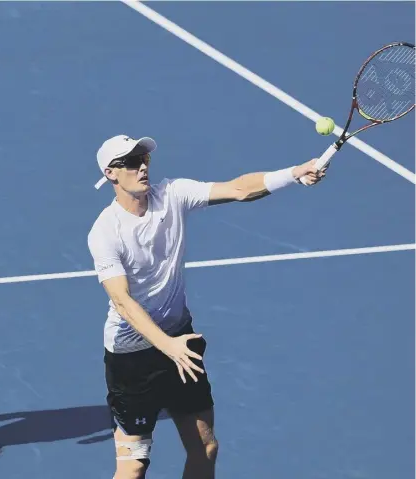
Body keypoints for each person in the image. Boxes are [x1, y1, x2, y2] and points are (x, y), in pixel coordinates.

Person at [87, 134, 326, 479]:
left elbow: (240, 189)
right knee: (134, 464)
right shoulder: (105, 231)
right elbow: (122, 301)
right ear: (111, 173)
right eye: (131, 162)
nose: (142, 167)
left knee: (205, 448)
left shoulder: (172, 193)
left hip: (180, 340)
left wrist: (294, 172)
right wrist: (167, 346)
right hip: (133, 357)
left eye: (145, 159)